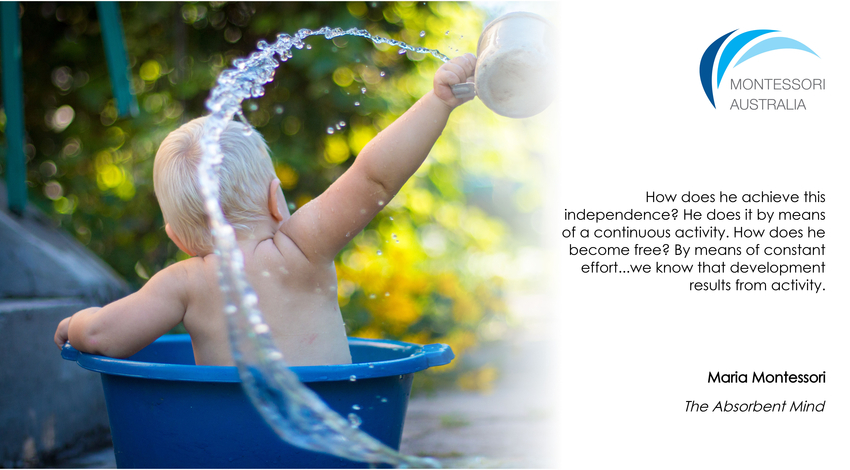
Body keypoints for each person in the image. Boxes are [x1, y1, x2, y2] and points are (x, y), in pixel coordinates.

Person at [54, 53, 477, 367]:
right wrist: (438, 101)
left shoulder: (183, 284)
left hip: (232, 447)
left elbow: (101, 336)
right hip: (328, 433)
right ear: (277, 200)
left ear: (177, 238)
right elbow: (373, 178)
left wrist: (74, 324)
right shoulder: (302, 249)